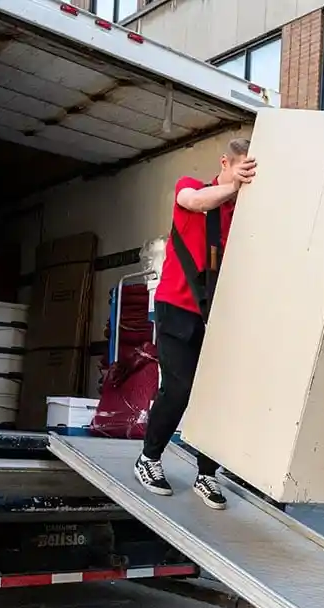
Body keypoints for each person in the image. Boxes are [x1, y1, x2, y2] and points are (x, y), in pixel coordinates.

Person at [133, 138, 257, 509]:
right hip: (176, 305)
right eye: (242, 168)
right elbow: (195, 202)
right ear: (225, 162)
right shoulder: (191, 187)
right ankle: (149, 458)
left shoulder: (244, 213)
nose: (246, 178)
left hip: (218, 314)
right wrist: (234, 186)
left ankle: (206, 473)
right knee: (180, 387)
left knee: (218, 396)